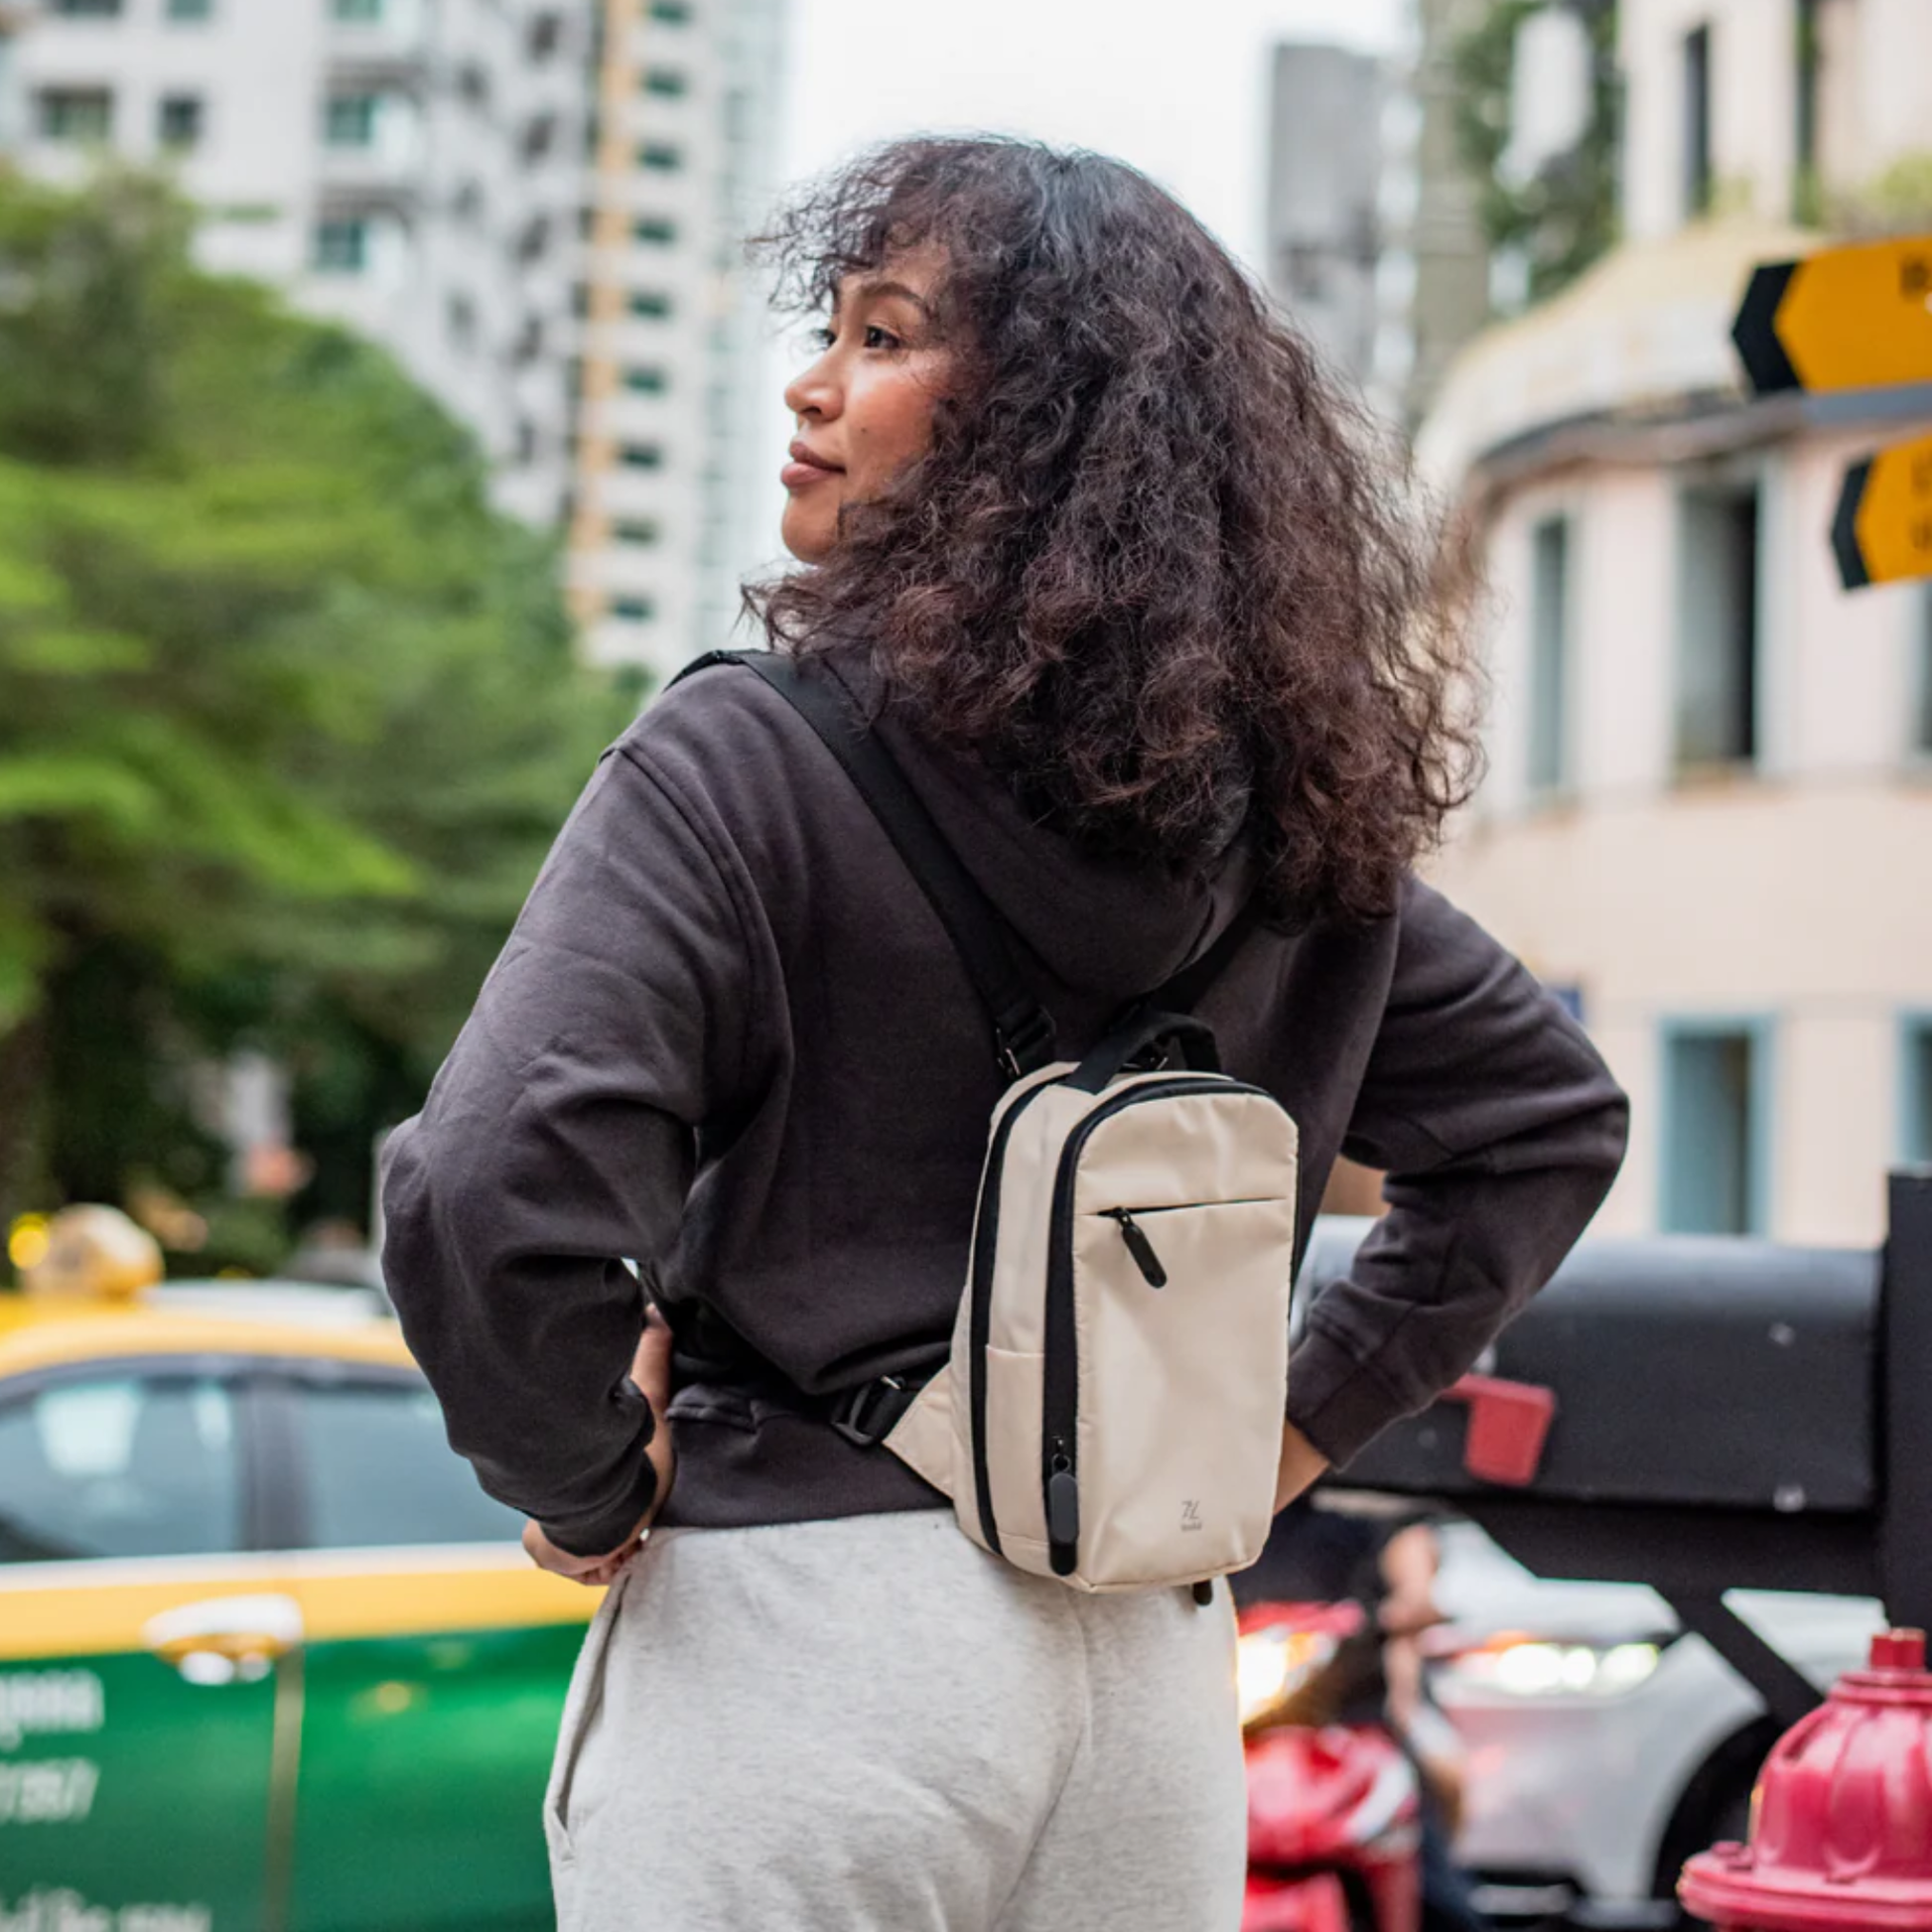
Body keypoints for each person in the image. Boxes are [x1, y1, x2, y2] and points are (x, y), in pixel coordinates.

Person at [379, 136, 1629, 1932]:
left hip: (799, 1649)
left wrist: (584, 1483)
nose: (812, 383)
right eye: (831, 329)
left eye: (884, 336)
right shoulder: (1290, 837)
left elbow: (489, 1184)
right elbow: (1541, 1121)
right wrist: (1291, 1429)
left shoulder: (742, 764)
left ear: (1036, 424)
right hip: (1148, 1675)